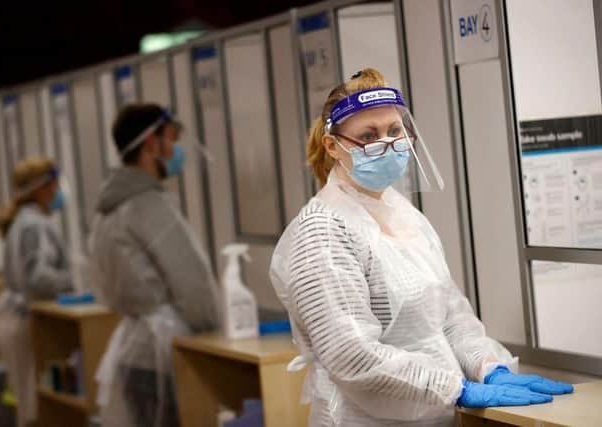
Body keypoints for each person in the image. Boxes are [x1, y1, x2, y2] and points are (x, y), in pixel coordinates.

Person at [269, 68, 573, 427]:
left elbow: (449, 317)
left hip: (434, 414)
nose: (389, 144)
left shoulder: (403, 214)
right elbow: (351, 355)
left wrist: (488, 368)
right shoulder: (322, 231)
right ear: (333, 146)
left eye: (395, 131)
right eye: (369, 135)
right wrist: (455, 388)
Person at [89, 103, 219, 427]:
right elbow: (192, 282)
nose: (176, 150)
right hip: (165, 354)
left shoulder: (107, 209)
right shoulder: (149, 205)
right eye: (171, 139)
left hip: (133, 350)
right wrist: (214, 333)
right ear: (150, 144)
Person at [0, 157, 74, 427]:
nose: (59, 191)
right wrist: (76, 278)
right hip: (27, 323)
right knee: (34, 409)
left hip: (17, 320)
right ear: (42, 189)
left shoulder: (25, 221)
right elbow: (36, 279)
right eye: (55, 184)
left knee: (28, 406)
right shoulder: (33, 225)